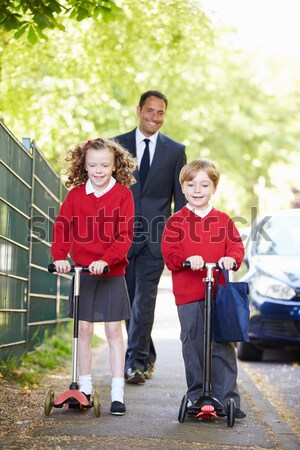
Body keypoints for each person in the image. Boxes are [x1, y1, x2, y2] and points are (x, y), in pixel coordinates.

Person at [51, 138, 136, 415]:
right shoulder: (75, 195)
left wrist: (105, 260)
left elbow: (124, 236)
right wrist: (60, 257)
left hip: (111, 271)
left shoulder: (123, 195)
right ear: (83, 166)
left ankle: (117, 391)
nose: (98, 170)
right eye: (92, 165)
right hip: (83, 272)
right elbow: (63, 229)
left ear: (115, 166)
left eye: (104, 165)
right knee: (84, 329)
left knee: (113, 330)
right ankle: (84, 388)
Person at [161, 158, 246, 419]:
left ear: (214, 188)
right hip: (188, 295)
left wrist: (231, 258)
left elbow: (236, 247)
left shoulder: (223, 220)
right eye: (191, 184)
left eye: (204, 184)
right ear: (183, 189)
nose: (197, 190)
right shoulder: (176, 221)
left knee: (222, 346)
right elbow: (170, 253)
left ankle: (227, 398)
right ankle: (197, 395)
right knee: (193, 345)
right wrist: (188, 259)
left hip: (219, 295)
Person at [113, 90, 187, 384]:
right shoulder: (117, 145)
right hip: (122, 236)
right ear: (139, 110)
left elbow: (180, 199)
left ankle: (135, 363)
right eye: (150, 111)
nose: (154, 117)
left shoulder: (175, 150)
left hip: (156, 237)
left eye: (160, 113)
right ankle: (146, 351)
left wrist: (179, 238)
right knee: (127, 301)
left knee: (145, 300)